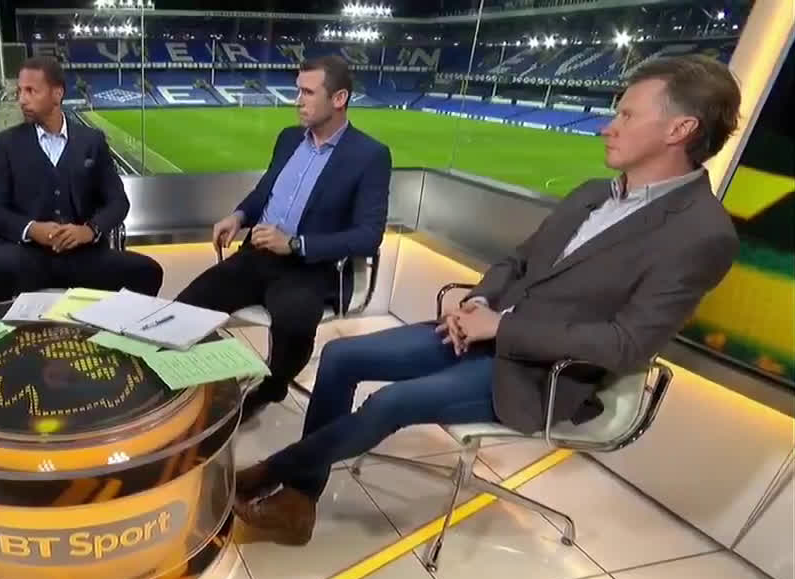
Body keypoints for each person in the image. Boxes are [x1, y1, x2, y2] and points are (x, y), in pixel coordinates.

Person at [233, 54, 743, 545]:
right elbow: (518, 262)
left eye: (627, 115)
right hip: (481, 331)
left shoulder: (701, 234)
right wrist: (478, 302)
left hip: (542, 374)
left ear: (680, 129)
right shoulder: (594, 193)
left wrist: (502, 328)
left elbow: (626, 344)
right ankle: (300, 501)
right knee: (341, 355)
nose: (608, 127)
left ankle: (269, 476)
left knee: (392, 402)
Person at [176, 55, 392, 422]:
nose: (297, 100)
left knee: (293, 325)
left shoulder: (370, 155)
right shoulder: (289, 138)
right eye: (297, 91)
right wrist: (238, 215)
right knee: (184, 310)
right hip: (255, 256)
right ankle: (183, 391)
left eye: (307, 92)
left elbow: (369, 236)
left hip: (309, 268)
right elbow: (265, 191)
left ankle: (270, 390)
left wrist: (295, 244)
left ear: (339, 98)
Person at [0, 55, 162, 306]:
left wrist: (89, 230)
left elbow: (118, 202)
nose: (22, 99)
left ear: (57, 94)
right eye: (20, 91)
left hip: (84, 255)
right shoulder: (7, 143)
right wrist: (32, 229)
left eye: (31, 91)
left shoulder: (92, 141)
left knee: (148, 271)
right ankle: (1, 330)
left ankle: (117, 327)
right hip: (28, 255)